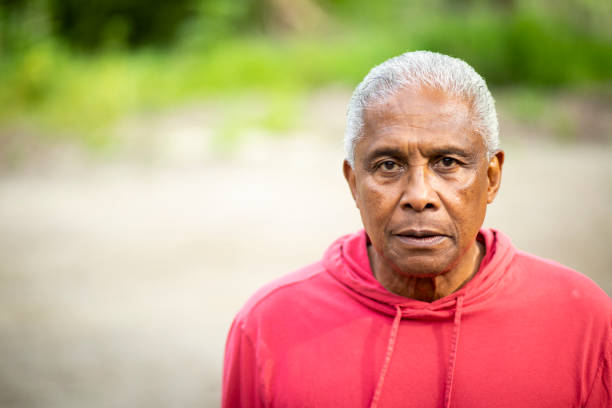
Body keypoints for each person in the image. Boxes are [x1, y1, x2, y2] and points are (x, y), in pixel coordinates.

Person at [221, 51, 611, 407]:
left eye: (447, 162)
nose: (419, 195)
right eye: (388, 165)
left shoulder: (584, 322)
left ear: (491, 178)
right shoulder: (269, 327)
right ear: (354, 183)